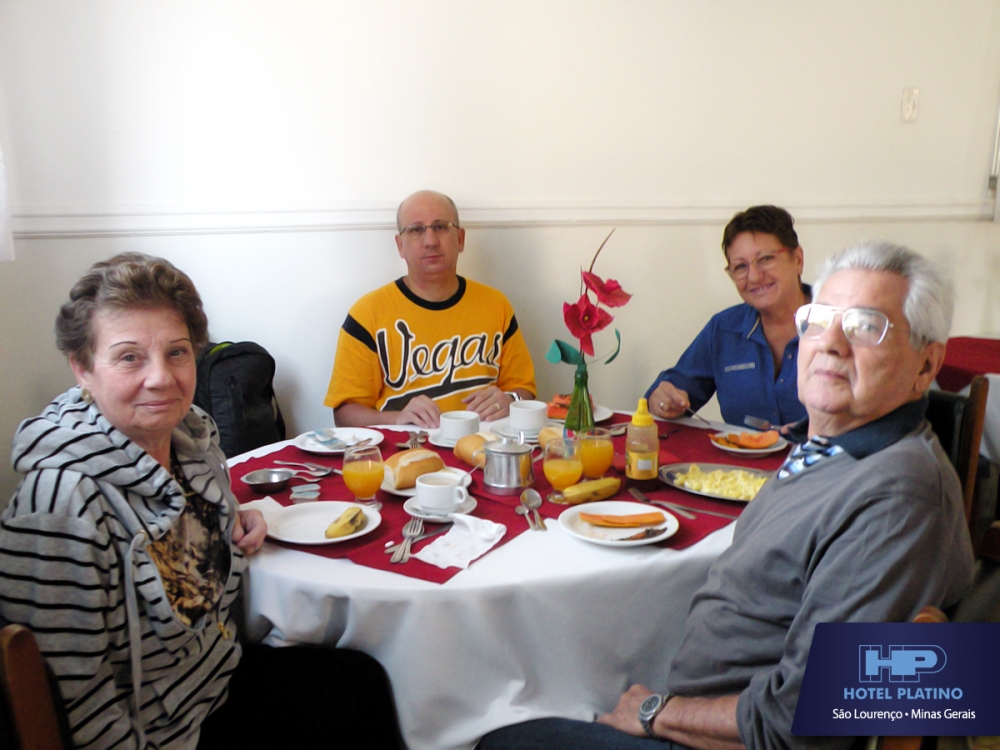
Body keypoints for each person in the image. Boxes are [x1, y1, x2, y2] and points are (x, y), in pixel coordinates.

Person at [480, 241, 975, 750]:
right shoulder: (829, 448)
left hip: (712, 734)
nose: (830, 343)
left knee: (498, 736)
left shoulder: (899, 497)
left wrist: (656, 713)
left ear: (925, 365)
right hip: (700, 694)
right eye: (820, 319)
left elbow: (807, 724)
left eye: (865, 326)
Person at [0, 253, 402, 749]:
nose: (161, 378)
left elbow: (186, 532)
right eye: (129, 357)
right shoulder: (60, 506)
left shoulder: (191, 437)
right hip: (159, 734)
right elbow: (74, 704)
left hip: (215, 682)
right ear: (83, 368)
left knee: (363, 680)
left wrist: (233, 516)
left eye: (177, 352)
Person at [325, 190, 536, 429]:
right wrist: (397, 418)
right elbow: (344, 415)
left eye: (441, 227)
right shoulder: (366, 315)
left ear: (460, 239)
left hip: (483, 445)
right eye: (416, 229)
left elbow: (525, 390)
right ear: (400, 245)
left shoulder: (496, 305)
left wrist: (511, 399)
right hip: (406, 448)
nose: (430, 241)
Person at [646, 205, 810, 428]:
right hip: (739, 452)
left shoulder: (839, 324)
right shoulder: (724, 329)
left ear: (798, 259)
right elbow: (676, 387)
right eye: (740, 267)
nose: (754, 276)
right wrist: (663, 399)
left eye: (765, 259)